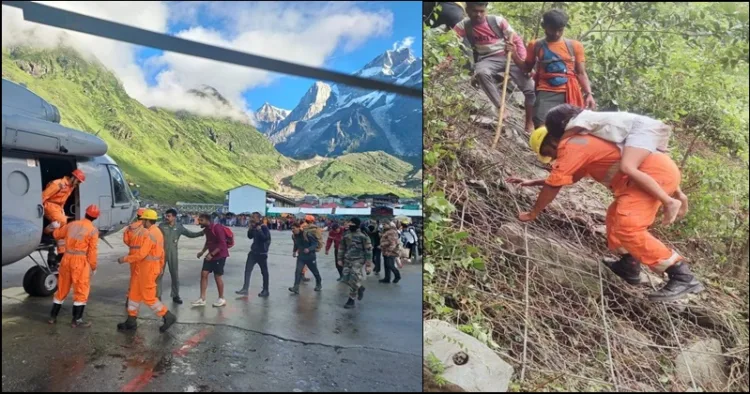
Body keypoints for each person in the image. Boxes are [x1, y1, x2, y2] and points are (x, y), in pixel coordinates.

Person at [509, 120, 704, 302]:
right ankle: (629, 265)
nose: (552, 158)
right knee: (615, 217)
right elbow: (567, 177)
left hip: (653, 175)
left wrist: (533, 213)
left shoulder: (572, 145)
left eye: (548, 152)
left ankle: (681, 274)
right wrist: (534, 182)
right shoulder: (581, 144)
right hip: (650, 175)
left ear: (552, 140)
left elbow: (554, 186)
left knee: (628, 225)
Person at [543, 104, 688, 225]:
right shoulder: (590, 116)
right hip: (648, 128)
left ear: (562, 124)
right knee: (648, 161)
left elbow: (565, 140)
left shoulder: (578, 121)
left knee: (628, 167)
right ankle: (680, 196)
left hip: (643, 130)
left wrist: (560, 147)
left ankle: (668, 201)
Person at [454, 2, 536, 133]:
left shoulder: (498, 21)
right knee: (481, 72)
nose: (479, 14)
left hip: (508, 56)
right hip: (486, 59)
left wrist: (524, 63)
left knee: (531, 90)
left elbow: (517, 41)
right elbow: (451, 43)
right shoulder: (463, 25)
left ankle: (529, 124)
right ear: (467, 10)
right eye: (475, 11)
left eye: (482, 11)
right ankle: (501, 107)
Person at [522, 9, 596, 129]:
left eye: (560, 30)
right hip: (545, 91)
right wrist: (514, 53)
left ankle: (563, 147)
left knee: (569, 126)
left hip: (569, 91)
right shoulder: (535, 45)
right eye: (552, 29)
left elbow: (581, 73)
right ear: (544, 26)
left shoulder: (575, 46)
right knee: (540, 123)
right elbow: (526, 68)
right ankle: (545, 147)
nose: (556, 33)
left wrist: (588, 94)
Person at [116, 209, 177, 332]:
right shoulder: (157, 232)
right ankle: (131, 321)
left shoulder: (150, 234)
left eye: (143, 219)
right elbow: (162, 252)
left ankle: (167, 316)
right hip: (144, 268)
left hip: (148, 269)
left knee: (148, 297)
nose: (141, 221)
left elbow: (141, 254)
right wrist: (160, 267)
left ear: (147, 220)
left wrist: (125, 259)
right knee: (134, 294)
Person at [47, 204, 100, 327]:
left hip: (66, 258)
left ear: (85, 213)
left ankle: (52, 317)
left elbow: (56, 235)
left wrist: (52, 227)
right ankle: (77, 320)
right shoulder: (93, 230)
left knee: (62, 288)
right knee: (81, 289)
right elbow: (92, 251)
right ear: (95, 218)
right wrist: (93, 266)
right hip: (80, 261)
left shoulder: (72, 224)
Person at [157, 208, 204, 304]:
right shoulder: (161, 226)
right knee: (158, 274)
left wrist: (201, 233)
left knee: (174, 275)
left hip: (173, 253)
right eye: (166, 215)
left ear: (174, 217)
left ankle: (175, 295)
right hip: (161, 253)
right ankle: (157, 295)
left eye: (169, 216)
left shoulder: (179, 227)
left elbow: (190, 234)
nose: (167, 217)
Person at [43, 169, 86, 262]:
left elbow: (63, 200)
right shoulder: (57, 184)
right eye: (78, 181)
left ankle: (61, 252)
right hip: (49, 204)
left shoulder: (71, 187)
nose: (78, 184)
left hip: (58, 207)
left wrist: (62, 210)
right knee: (62, 221)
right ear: (73, 177)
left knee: (64, 227)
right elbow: (44, 196)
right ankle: (45, 233)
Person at [193, 213, 230, 307]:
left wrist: (212, 254)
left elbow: (222, 244)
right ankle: (202, 298)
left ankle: (221, 298)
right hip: (210, 255)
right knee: (204, 274)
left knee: (217, 277)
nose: (199, 222)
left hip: (220, 255)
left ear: (207, 220)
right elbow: (208, 242)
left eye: (201, 220)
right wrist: (202, 252)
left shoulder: (217, 228)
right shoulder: (207, 230)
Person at [338, 218, 373, 309]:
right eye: (349, 223)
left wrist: (368, 265)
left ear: (357, 224)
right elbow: (342, 247)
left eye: (352, 223)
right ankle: (360, 287)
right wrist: (340, 259)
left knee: (354, 278)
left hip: (358, 260)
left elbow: (368, 250)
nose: (350, 224)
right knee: (345, 279)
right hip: (347, 260)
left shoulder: (363, 236)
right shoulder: (346, 235)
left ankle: (351, 300)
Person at [236, 212, 271, 297]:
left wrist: (259, 230)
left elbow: (265, 239)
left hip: (262, 253)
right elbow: (250, 236)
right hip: (253, 252)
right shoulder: (254, 227)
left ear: (259, 218)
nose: (252, 218)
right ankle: (245, 288)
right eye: (252, 217)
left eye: (254, 217)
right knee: (248, 270)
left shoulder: (264, 227)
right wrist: (251, 228)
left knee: (264, 272)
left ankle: (265, 290)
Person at [289, 222, 323, 294]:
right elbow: (296, 244)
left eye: (294, 228)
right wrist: (294, 251)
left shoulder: (307, 234)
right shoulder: (294, 236)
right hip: (301, 257)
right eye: (291, 228)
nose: (292, 230)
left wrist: (309, 249)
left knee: (315, 271)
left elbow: (315, 244)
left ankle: (319, 283)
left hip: (310, 257)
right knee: (298, 271)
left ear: (298, 228)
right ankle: (296, 287)